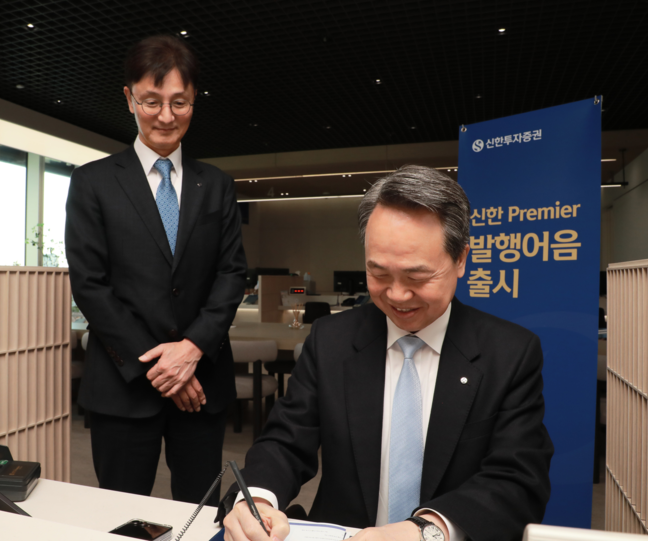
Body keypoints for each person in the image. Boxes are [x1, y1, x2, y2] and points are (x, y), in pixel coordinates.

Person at [219, 165, 553, 541]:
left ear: (460, 259)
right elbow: (286, 440)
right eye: (378, 274)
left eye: (416, 277)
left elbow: (518, 479)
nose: (396, 295)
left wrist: (428, 531)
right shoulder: (332, 340)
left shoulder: (509, 353)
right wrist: (257, 499)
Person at [65, 35, 246, 503]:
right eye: (151, 101)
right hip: (124, 386)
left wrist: (191, 350)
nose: (166, 116)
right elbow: (90, 284)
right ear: (129, 99)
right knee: (121, 516)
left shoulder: (217, 185)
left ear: (194, 101)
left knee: (200, 512)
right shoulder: (92, 182)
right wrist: (165, 367)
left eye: (179, 102)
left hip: (201, 381)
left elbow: (231, 274)